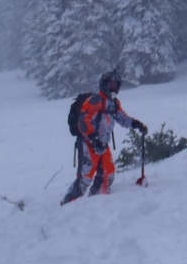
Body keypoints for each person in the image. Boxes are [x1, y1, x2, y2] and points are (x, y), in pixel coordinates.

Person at [61, 70, 148, 205]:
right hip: (88, 144)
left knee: (108, 174)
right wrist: (93, 139)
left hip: (103, 145)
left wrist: (137, 124)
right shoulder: (95, 101)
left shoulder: (114, 103)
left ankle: (98, 202)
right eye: (110, 85)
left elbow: (122, 118)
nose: (113, 88)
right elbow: (84, 121)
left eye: (115, 85)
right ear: (104, 84)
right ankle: (68, 204)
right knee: (85, 179)